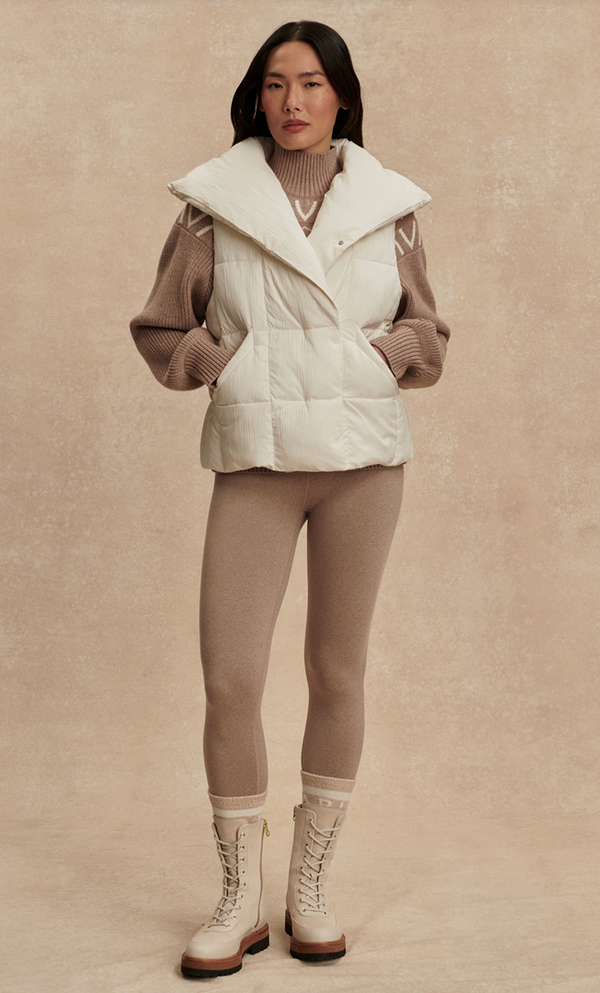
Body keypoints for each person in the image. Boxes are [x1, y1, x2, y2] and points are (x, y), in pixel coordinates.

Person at [130, 20, 450, 978]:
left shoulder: (391, 206)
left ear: (341, 95)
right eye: (275, 83)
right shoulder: (212, 205)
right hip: (256, 461)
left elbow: (429, 329)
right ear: (256, 97)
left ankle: (310, 888)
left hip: (364, 463)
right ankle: (238, 898)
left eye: (311, 82)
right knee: (231, 679)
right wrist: (221, 363)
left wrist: (382, 355)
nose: (293, 101)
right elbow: (160, 326)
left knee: (336, 672)